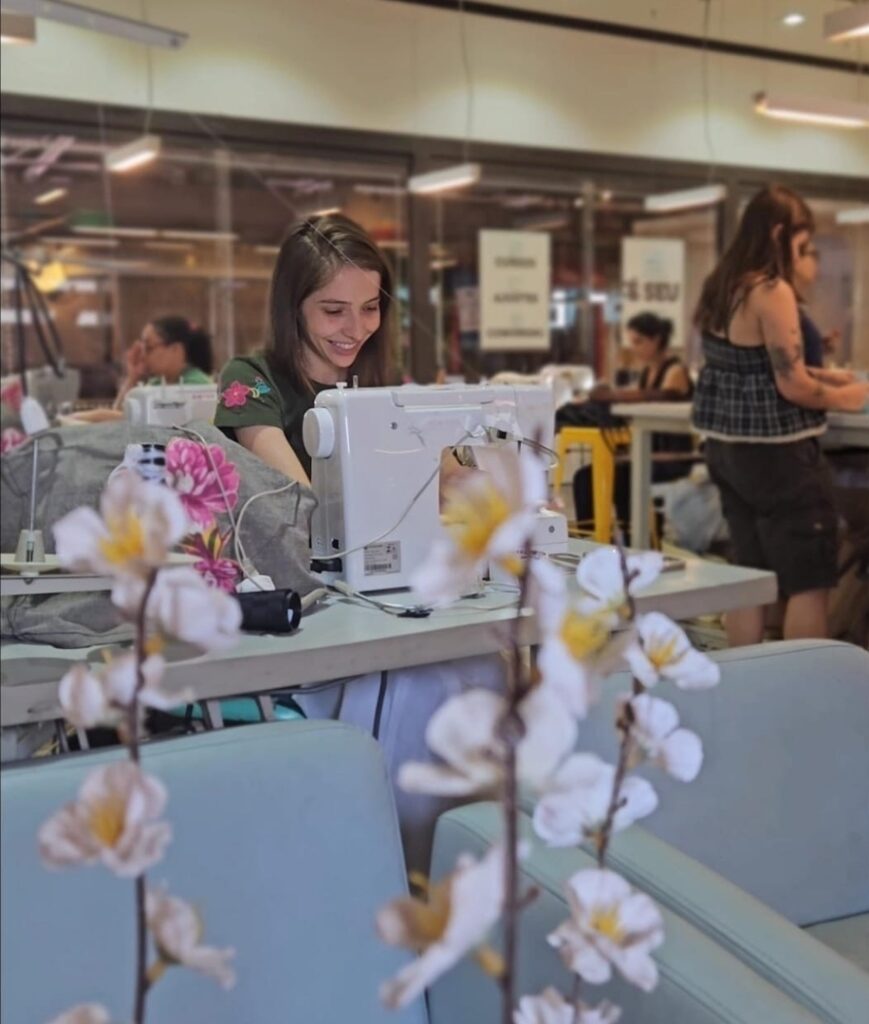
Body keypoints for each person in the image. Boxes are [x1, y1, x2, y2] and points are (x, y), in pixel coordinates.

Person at [692, 184, 868, 646]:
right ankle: (802, 683)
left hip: (727, 452)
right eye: (803, 245)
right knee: (808, 583)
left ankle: (745, 679)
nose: (807, 257)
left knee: (748, 580)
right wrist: (849, 398)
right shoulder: (771, 289)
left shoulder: (722, 285)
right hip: (779, 460)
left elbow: (753, 366)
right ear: (778, 234)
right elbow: (791, 384)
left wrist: (830, 379)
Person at [214, 214, 392, 486]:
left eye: (370, 308)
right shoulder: (252, 380)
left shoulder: (383, 381)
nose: (356, 331)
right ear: (294, 307)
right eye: (334, 311)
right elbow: (299, 500)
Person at [571, 312, 695, 540]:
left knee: (625, 477)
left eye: (639, 342)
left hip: (671, 457)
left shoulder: (675, 371)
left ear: (656, 340)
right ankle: (591, 539)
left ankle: (635, 538)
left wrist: (611, 395)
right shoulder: (648, 372)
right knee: (584, 477)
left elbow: (653, 397)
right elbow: (635, 396)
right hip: (647, 453)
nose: (634, 349)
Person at [114, 316, 214, 410]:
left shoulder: (197, 386)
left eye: (148, 348)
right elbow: (120, 415)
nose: (142, 356)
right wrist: (132, 377)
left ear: (176, 350)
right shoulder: (157, 383)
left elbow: (134, 417)